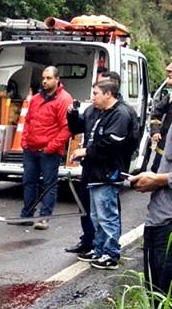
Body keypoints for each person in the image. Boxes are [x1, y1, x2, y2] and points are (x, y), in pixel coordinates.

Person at [69, 78, 134, 270]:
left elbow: (112, 143)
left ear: (108, 94)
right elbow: (87, 133)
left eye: (96, 93)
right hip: (96, 172)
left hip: (108, 171)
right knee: (97, 215)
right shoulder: (102, 113)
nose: (92, 98)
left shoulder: (120, 114)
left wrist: (86, 151)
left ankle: (111, 254)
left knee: (107, 215)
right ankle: (99, 249)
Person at [19, 66, 73, 230]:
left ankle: (44, 218)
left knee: (49, 184)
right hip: (31, 148)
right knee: (29, 182)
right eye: (43, 78)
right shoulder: (36, 98)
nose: (45, 81)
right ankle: (26, 216)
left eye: (49, 78)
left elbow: (66, 128)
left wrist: (51, 147)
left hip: (49, 151)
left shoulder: (64, 99)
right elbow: (28, 121)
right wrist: (25, 142)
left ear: (57, 79)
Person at [130, 120, 172, 299]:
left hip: (168, 224)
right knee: (155, 298)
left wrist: (159, 180)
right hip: (158, 218)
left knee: (164, 302)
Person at [147, 61, 172, 172]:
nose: (168, 69)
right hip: (163, 155)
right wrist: (156, 131)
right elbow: (156, 113)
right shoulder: (170, 97)